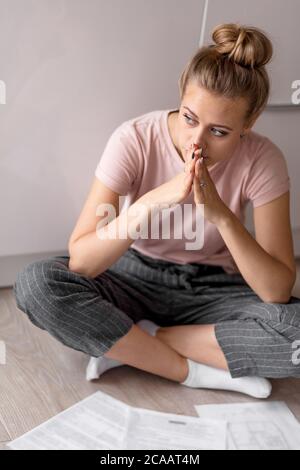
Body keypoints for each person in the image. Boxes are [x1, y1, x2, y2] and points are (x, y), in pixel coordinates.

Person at [14, 23, 300, 399]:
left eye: (219, 132)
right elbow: (82, 261)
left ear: (248, 124)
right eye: (189, 118)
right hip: (132, 275)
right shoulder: (134, 138)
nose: (195, 142)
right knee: (37, 284)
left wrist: (220, 216)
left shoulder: (263, 160)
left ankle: (139, 340)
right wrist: (152, 201)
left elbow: (277, 290)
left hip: (212, 287)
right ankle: (189, 370)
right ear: (181, 97)